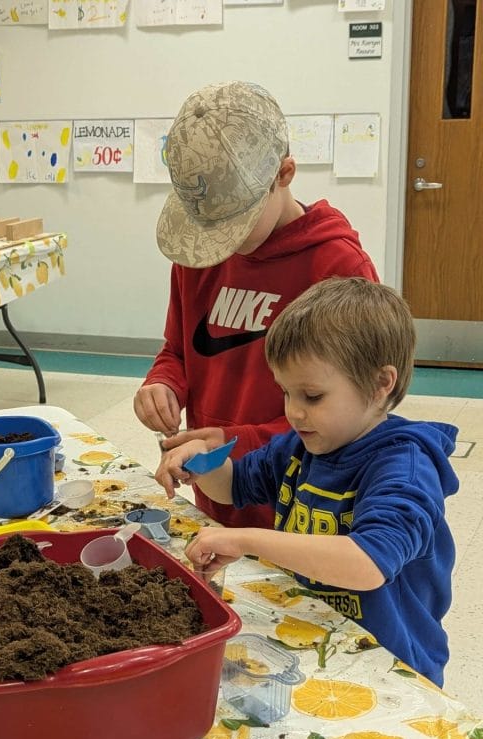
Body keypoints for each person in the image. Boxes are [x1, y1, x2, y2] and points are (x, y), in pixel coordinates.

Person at [155, 277, 459, 687]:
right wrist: (203, 466)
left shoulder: (404, 467)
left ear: (380, 384)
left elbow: (367, 564)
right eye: (286, 393)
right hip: (315, 637)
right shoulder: (301, 445)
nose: (294, 413)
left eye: (312, 396)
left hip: (390, 664)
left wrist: (244, 541)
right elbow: (236, 486)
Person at [133, 80, 378, 529]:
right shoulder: (200, 253)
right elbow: (177, 350)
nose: (221, 242)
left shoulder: (337, 268)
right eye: (210, 228)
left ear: (284, 174)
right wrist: (163, 384)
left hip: (297, 502)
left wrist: (233, 442)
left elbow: (356, 414)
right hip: (215, 488)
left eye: (235, 224)